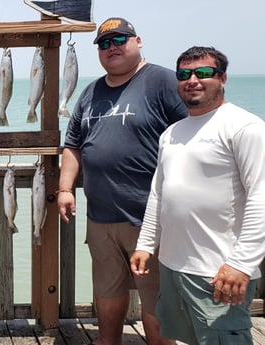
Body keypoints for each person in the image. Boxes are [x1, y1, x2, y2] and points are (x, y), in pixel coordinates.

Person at [57, 17, 189, 345]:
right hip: (101, 218)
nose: (112, 48)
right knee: (107, 289)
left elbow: (194, 135)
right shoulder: (90, 92)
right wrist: (65, 188)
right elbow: (72, 144)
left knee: (156, 297)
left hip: (150, 217)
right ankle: (108, 341)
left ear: (138, 41)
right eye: (104, 44)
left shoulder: (162, 82)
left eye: (119, 40)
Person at [130, 46, 265, 344]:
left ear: (223, 78)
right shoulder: (171, 133)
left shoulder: (245, 127)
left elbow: (261, 197)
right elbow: (159, 193)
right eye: (184, 74)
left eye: (203, 73)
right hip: (173, 267)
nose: (193, 80)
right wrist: (146, 244)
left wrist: (241, 264)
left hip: (218, 271)